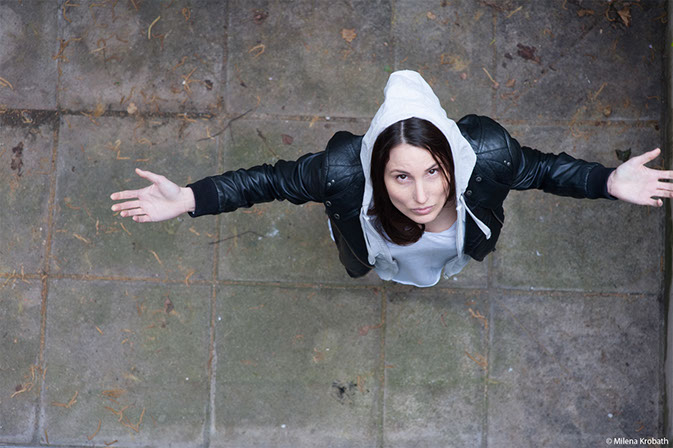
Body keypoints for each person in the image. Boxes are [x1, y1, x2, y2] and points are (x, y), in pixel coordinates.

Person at [110, 70, 673, 287]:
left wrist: (606, 182)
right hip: (375, 248)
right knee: (382, 265)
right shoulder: (339, 173)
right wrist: (190, 198)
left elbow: (544, 169)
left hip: (448, 251)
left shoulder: (489, 155)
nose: (422, 196)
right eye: (401, 177)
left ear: (454, 160)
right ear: (376, 169)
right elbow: (268, 182)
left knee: (436, 263)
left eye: (434, 171)